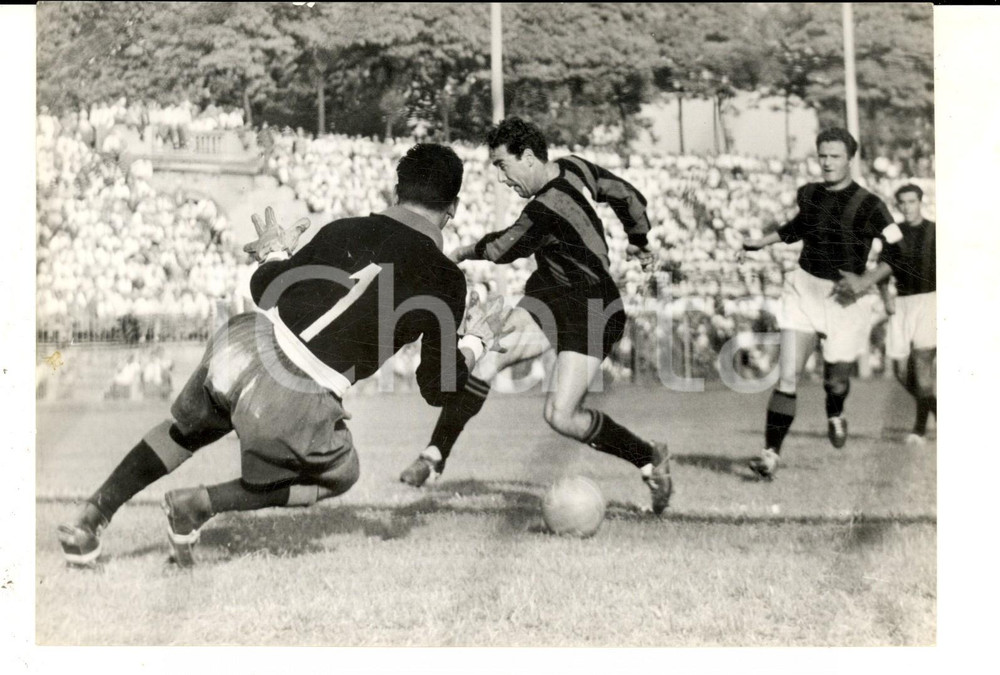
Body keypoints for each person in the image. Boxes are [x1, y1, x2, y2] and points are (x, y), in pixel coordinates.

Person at [57, 144, 506, 567]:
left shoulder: (342, 228)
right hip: (298, 392)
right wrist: (476, 343)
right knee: (342, 474)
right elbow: (438, 388)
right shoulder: (447, 280)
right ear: (454, 208)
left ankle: (91, 518)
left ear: (396, 192)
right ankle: (199, 505)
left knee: (184, 433)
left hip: (243, 346)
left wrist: (274, 252)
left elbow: (264, 289)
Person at [398, 117, 672, 515]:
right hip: (549, 296)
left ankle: (649, 457)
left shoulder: (546, 207)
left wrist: (459, 253)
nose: (503, 179)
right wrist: (640, 241)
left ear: (527, 157)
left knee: (561, 416)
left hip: (592, 306)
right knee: (488, 357)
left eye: (503, 166)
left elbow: (504, 247)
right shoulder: (575, 166)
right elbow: (625, 194)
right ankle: (433, 456)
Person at [740, 128, 902, 480]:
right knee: (787, 376)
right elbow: (799, 226)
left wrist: (865, 280)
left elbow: (898, 251)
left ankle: (835, 413)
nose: (827, 162)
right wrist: (762, 242)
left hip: (847, 297)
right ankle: (770, 455)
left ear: (850, 159)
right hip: (804, 289)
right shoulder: (809, 193)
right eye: (822, 156)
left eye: (835, 156)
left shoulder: (870, 204)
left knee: (836, 383)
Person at [881, 184, 936, 445]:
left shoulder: (935, 231)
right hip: (901, 304)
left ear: (920, 202)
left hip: (929, 300)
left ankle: (919, 430)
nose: (907, 206)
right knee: (901, 370)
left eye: (911, 201)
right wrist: (885, 297)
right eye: (902, 202)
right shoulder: (893, 235)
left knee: (922, 366)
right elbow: (882, 270)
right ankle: (937, 411)